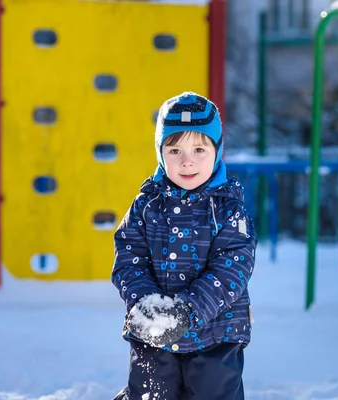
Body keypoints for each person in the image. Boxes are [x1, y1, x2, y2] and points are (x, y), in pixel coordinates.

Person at [112, 91, 256, 400]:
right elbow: (128, 258)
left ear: (216, 152)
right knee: (150, 394)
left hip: (216, 335)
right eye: (174, 149)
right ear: (160, 152)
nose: (186, 160)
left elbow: (232, 269)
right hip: (153, 332)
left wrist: (187, 311)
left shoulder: (228, 209)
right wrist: (145, 304)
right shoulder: (146, 204)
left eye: (199, 149)